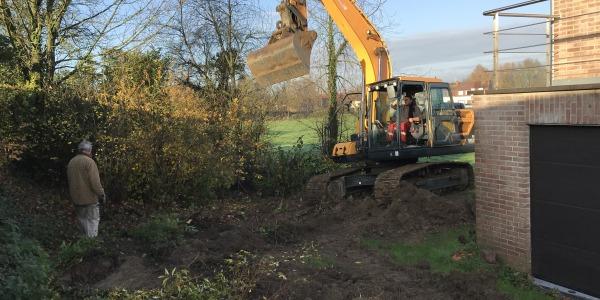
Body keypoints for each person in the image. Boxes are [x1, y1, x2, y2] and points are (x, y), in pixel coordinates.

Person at [67, 140, 105, 238]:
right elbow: (95, 182)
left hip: (76, 199)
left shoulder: (72, 161)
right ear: (89, 151)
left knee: (82, 222)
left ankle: (83, 246)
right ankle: (90, 246)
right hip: (90, 200)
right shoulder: (89, 162)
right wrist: (101, 194)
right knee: (93, 222)